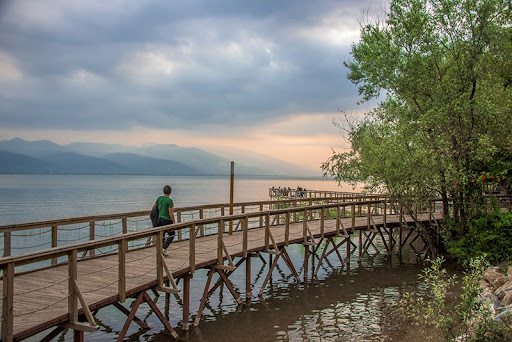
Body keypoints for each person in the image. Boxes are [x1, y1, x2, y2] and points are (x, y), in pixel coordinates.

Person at [152, 185, 176, 256]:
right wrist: (173, 220)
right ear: (170, 192)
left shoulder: (159, 198)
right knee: (172, 234)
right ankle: (163, 248)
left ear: (163, 191)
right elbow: (170, 212)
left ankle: (161, 250)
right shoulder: (169, 200)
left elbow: (153, 207)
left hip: (159, 219)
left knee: (162, 234)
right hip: (167, 220)